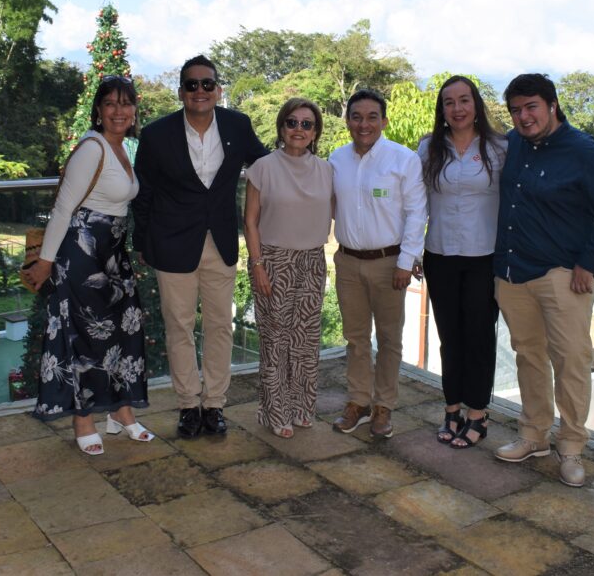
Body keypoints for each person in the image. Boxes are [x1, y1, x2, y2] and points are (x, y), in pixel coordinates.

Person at [492, 73, 594, 486]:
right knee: (528, 355)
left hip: (562, 276)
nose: (523, 116)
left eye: (531, 106)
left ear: (552, 105)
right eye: (516, 110)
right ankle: (533, 435)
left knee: (570, 361)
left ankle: (570, 447)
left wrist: (588, 262)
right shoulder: (512, 144)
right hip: (513, 273)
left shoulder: (582, 150)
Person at [132, 55, 268, 439]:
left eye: (207, 84)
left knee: (220, 326)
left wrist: (307, 163)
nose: (200, 91)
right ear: (181, 92)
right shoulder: (157, 135)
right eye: (191, 85)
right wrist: (141, 241)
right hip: (172, 244)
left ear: (218, 89)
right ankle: (189, 405)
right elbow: (143, 194)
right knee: (179, 327)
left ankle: (214, 405)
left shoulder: (237, 125)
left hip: (220, 241)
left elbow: (265, 165)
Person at [24, 75, 152, 455]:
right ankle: (84, 420)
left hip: (113, 253)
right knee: (86, 337)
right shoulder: (92, 148)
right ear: (98, 109)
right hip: (80, 254)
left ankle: (121, 412)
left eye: (126, 103)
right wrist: (46, 264)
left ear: (134, 110)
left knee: (125, 330)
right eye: (110, 103)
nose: (119, 111)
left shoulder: (123, 147)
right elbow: (64, 209)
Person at [330, 89, 427, 438]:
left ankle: (384, 406)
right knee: (355, 338)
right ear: (348, 121)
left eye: (372, 117)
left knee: (389, 339)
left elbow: (417, 212)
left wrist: (407, 261)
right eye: (357, 117)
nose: (364, 123)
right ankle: (358, 402)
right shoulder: (336, 159)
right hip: (348, 262)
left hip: (390, 263)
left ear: (384, 121)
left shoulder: (403, 159)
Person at [418, 76, 507, 449]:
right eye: (449, 102)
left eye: (464, 100)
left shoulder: (500, 148)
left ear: (476, 105)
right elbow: (413, 202)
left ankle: (478, 413)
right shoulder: (428, 148)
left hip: (483, 257)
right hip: (439, 255)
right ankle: (451, 407)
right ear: (442, 109)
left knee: (479, 337)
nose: (457, 109)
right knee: (448, 337)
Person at [243, 98, 333, 439]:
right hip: (273, 260)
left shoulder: (326, 170)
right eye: (292, 123)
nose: (299, 129)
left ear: (315, 132)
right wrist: (258, 265)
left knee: (306, 339)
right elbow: (250, 222)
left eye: (306, 124)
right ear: (281, 128)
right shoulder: (263, 167)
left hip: (312, 260)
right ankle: (274, 411)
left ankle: (301, 407)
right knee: (276, 339)